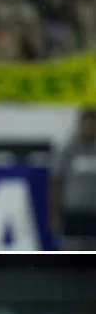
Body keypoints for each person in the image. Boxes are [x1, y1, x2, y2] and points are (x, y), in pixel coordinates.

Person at [49, 107, 96, 250]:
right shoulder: (69, 150)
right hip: (73, 212)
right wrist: (55, 215)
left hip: (94, 211)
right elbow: (57, 183)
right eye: (86, 124)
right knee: (72, 252)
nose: (89, 128)